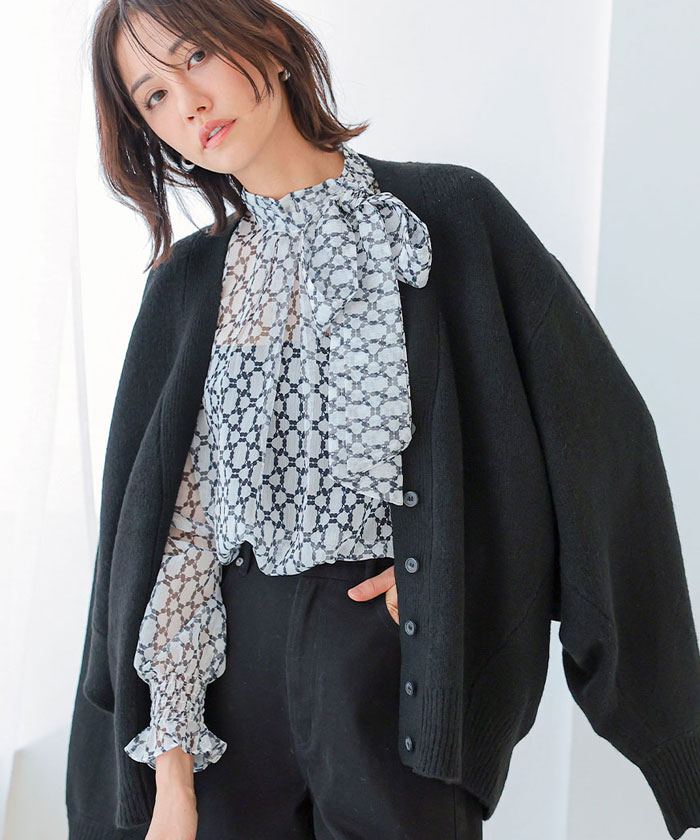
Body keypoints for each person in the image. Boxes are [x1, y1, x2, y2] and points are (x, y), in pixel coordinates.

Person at [65, 0, 700, 838]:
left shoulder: (447, 215)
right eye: (152, 95)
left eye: (196, 57)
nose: (188, 101)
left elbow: (598, 445)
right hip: (223, 695)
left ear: (269, 44)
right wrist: (170, 779)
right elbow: (160, 540)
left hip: (390, 671)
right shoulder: (184, 285)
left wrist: (450, 566)